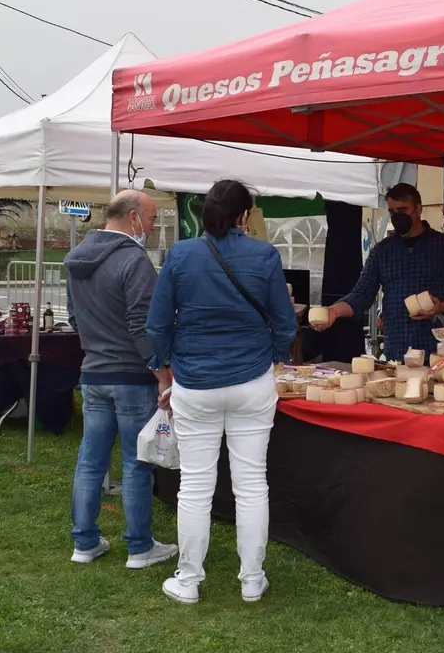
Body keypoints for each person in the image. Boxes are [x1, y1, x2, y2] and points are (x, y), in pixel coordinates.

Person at [147, 179, 297, 605]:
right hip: (252, 381)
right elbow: (285, 321)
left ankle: (189, 579)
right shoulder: (264, 255)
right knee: (251, 484)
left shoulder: (180, 255)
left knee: (195, 486)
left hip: (195, 382)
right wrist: (275, 355)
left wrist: (164, 366)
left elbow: (158, 324)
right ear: (245, 215)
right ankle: (252, 578)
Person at [64, 189, 178, 570]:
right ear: (133, 217)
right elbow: (142, 325)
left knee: (90, 461)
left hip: (94, 372)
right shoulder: (134, 260)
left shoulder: (76, 257)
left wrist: (96, 348)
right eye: (152, 219)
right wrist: (161, 373)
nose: (153, 226)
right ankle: (139, 547)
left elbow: (74, 317)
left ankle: (84, 542)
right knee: (136, 463)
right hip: (132, 375)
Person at [313, 183, 444, 361]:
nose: (398, 217)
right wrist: (334, 311)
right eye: (392, 212)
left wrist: (441, 307)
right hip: (397, 350)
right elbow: (361, 295)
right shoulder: (382, 251)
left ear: (418, 209)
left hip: (438, 349)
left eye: (403, 210)